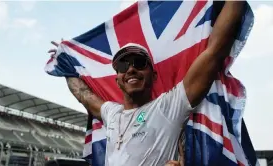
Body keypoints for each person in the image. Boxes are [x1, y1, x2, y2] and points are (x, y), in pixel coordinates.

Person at [48, 1, 245, 166]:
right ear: (117, 79)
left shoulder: (169, 107)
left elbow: (214, 53)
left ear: (154, 75)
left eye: (140, 63)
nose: (131, 69)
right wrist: (65, 61)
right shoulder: (111, 113)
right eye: (123, 65)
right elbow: (83, 94)